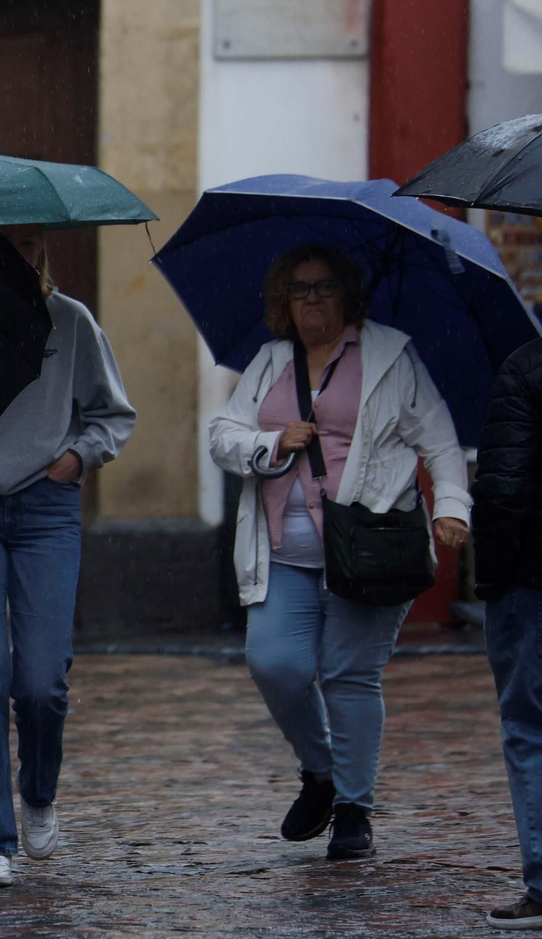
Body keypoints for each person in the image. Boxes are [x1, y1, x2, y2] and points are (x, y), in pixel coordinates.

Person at [209, 242, 469, 861]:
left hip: (370, 548)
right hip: (284, 551)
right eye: (300, 289)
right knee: (277, 664)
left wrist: (454, 507)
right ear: (284, 300)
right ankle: (321, 772)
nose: (313, 299)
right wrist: (271, 442)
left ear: (348, 294)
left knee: (350, 674)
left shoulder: (390, 355)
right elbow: (224, 435)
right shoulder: (271, 361)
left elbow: (440, 440)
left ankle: (354, 808)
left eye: (324, 287)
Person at [0, 224, 134, 888]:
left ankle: (39, 789)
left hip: (47, 508)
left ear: (42, 251)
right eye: (3, 246)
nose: (17, 258)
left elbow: (113, 414)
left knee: (44, 681)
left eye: (28, 245)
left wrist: (77, 457)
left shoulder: (70, 321)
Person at [472, 337, 542, 930]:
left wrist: (491, 576)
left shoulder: (525, 367)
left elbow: (504, 490)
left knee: (530, 726)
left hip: (532, 577)